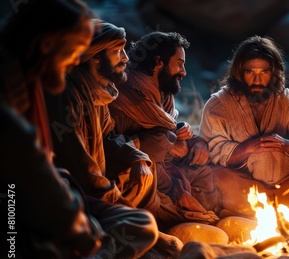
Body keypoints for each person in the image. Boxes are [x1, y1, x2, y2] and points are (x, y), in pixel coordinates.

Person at [45, 22, 225, 243]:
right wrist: (119, 199)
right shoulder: (73, 97)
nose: (126, 58)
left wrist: (138, 157)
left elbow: (109, 137)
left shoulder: (102, 94)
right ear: (96, 58)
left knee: (177, 170)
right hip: (82, 192)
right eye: (117, 51)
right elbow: (84, 167)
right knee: (145, 225)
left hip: (129, 174)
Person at [0, 0, 102, 259]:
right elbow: (25, 166)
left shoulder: (25, 81)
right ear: (47, 44)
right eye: (76, 50)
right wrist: (81, 229)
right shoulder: (8, 102)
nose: (76, 62)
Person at [199, 35, 289, 217]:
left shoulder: (285, 102)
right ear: (239, 73)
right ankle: (256, 216)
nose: (257, 80)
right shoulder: (218, 106)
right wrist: (246, 148)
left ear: (273, 73)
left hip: (288, 186)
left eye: (264, 72)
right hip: (246, 189)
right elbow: (213, 151)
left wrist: (287, 145)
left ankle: (283, 215)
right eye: (250, 72)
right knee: (213, 177)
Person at [109, 31, 220, 217]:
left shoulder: (162, 94)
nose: (184, 72)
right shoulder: (123, 95)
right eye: (179, 64)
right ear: (159, 62)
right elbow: (116, 150)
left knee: (204, 172)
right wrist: (175, 189)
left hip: (163, 169)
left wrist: (195, 141)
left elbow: (170, 128)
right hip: (135, 175)